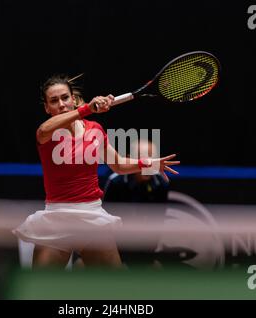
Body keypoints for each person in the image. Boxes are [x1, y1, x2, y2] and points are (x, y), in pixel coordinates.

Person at [13, 74, 180, 268]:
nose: (61, 104)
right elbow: (43, 130)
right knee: (40, 290)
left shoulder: (95, 129)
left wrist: (149, 163)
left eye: (65, 97)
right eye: (54, 100)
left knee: (114, 288)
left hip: (91, 215)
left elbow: (117, 165)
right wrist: (86, 109)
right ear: (47, 108)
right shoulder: (47, 133)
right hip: (56, 217)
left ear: (73, 99)